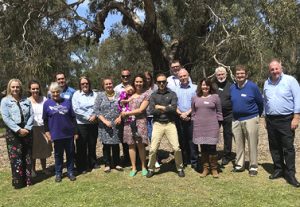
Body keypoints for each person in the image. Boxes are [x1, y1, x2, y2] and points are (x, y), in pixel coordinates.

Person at [264, 59, 300, 187]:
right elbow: (265, 101)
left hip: (286, 120)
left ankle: (290, 174)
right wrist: (265, 117)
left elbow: (298, 98)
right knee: (274, 147)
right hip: (271, 120)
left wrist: (296, 117)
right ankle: (278, 169)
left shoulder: (290, 81)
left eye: (276, 68)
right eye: (272, 69)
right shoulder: (266, 83)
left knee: (288, 148)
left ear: (281, 68)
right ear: (269, 71)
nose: (274, 71)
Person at [146, 74, 185, 178]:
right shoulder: (153, 95)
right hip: (158, 124)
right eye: (159, 82)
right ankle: (151, 168)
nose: (161, 84)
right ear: (157, 83)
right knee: (153, 149)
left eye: (163, 82)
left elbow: (174, 109)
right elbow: (152, 111)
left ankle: (180, 168)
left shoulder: (172, 94)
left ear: (166, 83)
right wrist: (167, 108)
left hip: (170, 123)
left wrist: (160, 107)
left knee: (176, 148)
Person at [230, 65, 263, 176]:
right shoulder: (232, 87)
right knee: (239, 144)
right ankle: (239, 165)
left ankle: (253, 167)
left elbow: (260, 103)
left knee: (252, 144)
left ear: (246, 74)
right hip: (236, 120)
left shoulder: (252, 87)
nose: (240, 75)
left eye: (242, 73)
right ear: (235, 75)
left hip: (251, 119)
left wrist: (256, 116)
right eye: (238, 73)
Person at [1, 79, 34, 189]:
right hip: (13, 132)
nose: (15, 89)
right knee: (16, 158)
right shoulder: (5, 101)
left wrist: (27, 128)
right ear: (10, 88)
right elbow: (6, 118)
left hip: (27, 131)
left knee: (27, 155)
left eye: (17, 87)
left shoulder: (26, 100)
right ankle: (19, 183)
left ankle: (28, 180)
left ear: (20, 88)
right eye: (13, 87)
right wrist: (18, 130)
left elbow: (31, 115)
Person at [43, 82, 78, 182]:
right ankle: (58, 173)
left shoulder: (67, 102)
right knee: (58, 154)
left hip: (68, 133)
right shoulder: (47, 103)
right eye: (53, 92)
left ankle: (70, 172)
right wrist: (47, 132)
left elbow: (73, 117)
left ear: (60, 91)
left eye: (57, 92)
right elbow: (45, 119)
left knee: (70, 153)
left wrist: (75, 131)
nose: (55, 94)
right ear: (50, 92)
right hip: (56, 134)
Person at [192, 78, 223, 178]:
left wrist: (218, 125)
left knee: (212, 148)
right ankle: (205, 168)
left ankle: (214, 169)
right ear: (200, 86)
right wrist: (195, 122)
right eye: (203, 85)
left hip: (212, 126)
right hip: (199, 127)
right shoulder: (195, 98)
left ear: (210, 86)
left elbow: (219, 112)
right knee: (203, 148)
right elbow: (193, 113)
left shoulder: (215, 97)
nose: (205, 87)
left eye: (207, 85)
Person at [121, 74, 150, 177]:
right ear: (134, 83)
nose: (138, 83)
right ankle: (133, 167)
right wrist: (122, 105)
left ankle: (143, 167)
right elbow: (122, 105)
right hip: (129, 123)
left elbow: (141, 110)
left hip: (140, 122)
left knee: (140, 145)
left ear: (143, 83)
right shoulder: (129, 94)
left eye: (140, 81)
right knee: (131, 145)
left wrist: (127, 113)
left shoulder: (146, 94)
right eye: (137, 82)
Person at [94, 78, 123, 172]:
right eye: (106, 84)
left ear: (113, 84)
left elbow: (124, 107)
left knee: (115, 144)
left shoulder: (119, 95)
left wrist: (120, 117)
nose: (109, 85)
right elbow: (96, 110)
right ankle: (107, 164)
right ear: (103, 86)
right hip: (104, 125)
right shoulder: (100, 95)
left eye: (110, 83)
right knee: (106, 145)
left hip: (117, 124)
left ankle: (117, 163)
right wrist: (105, 121)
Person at [72, 76, 99, 174]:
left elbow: (98, 106)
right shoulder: (76, 94)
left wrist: (95, 115)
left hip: (93, 123)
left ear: (89, 84)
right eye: (83, 84)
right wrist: (88, 117)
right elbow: (75, 109)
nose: (85, 85)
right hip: (81, 124)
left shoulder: (95, 94)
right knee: (81, 145)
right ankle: (82, 165)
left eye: (86, 83)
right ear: (80, 85)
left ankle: (93, 162)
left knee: (92, 143)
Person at [173, 69, 199, 169]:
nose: (183, 78)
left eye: (184, 76)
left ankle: (194, 161)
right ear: (178, 78)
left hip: (192, 117)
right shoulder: (175, 89)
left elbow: (197, 103)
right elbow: (173, 104)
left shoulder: (195, 88)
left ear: (188, 76)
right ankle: (184, 160)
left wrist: (187, 113)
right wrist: (181, 114)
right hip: (179, 117)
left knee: (192, 140)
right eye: (181, 76)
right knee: (181, 140)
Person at [28, 80, 52, 177]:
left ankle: (44, 168)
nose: (35, 90)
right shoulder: (27, 101)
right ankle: (33, 170)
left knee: (44, 148)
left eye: (37, 88)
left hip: (43, 127)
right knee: (33, 149)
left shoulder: (45, 99)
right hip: (32, 128)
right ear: (29, 89)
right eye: (33, 89)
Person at [212, 66, 234, 165]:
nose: (221, 76)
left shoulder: (232, 85)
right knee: (213, 135)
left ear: (226, 74)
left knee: (228, 135)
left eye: (222, 74)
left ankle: (227, 156)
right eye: (219, 74)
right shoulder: (213, 86)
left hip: (228, 115)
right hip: (215, 115)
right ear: (216, 76)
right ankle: (212, 154)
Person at [114, 69, 131, 165]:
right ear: (121, 77)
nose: (125, 78)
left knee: (133, 137)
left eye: (127, 76)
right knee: (124, 138)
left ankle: (135, 157)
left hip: (132, 116)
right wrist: (120, 116)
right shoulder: (117, 88)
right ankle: (127, 158)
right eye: (123, 76)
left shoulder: (134, 86)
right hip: (122, 116)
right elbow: (117, 104)